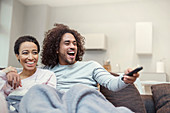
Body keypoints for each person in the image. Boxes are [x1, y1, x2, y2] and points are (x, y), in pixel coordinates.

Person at [6, 24, 139, 113]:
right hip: (60, 106)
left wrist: (125, 79)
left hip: (86, 102)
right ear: (56, 49)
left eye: (75, 43)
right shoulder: (45, 71)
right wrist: (10, 70)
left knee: (79, 89)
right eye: (67, 43)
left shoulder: (91, 66)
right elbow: (24, 71)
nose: (72, 46)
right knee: (37, 91)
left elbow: (112, 83)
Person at [0, 35, 56, 113]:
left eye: (35, 53)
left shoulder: (48, 75)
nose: (30, 57)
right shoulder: (11, 78)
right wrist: (6, 71)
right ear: (17, 56)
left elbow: (49, 100)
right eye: (25, 53)